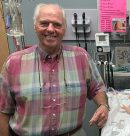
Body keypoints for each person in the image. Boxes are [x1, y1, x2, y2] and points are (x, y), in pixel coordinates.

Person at [0, 3, 109, 136]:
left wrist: (103, 105)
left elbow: (97, 88)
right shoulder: (14, 63)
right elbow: (3, 111)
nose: (51, 29)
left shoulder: (81, 57)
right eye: (44, 23)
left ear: (64, 28)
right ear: (35, 26)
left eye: (57, 24)